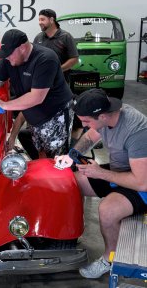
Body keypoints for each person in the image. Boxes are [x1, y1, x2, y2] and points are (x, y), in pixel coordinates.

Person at [54, 88, 147, 279]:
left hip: (141, 182)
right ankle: (70, 235)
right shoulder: (104, 119)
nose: (83, 124)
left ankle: (109, 258)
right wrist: (72, 156)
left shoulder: (137, 131)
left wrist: (101, 173)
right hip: (119, 171)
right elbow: (89, 137)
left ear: (103, 116)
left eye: (86, 121)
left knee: (107, 210)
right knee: (71, 183)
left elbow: (141, 182)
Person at [0, 29, 74, 158]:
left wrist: (4, 105)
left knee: (58, 160)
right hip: (34, 116)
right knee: (42, 154)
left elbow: (36, 97)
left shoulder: (45, 59)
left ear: (22, 47)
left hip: (55, 115)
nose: (7, 58)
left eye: (9, 54)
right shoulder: (9, 59)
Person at [8, 9, 79, 158]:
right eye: (39, 20)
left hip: (59, 86)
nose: (40, 22)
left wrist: (55, 70)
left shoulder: (65, 37)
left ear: (52, 19)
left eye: (43, 19)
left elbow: (74, 59)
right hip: (40, 85)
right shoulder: (39, 37)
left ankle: (68, 151)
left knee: (58, 144)